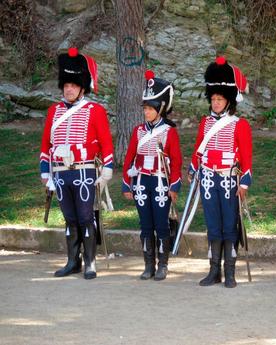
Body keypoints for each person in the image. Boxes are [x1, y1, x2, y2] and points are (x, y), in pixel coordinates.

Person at [40, 47, 114, 279]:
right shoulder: (54, 111)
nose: (68, 89)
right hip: (61, 173)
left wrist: (108, 169)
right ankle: (73, 261)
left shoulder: (95, 110)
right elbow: (46, 145)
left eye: (72, 85)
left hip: (84, 171)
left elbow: (106, 143)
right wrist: (46, 173)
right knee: (69, 218)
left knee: (85, 217)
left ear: (82, 87)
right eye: (66, 85)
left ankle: (90, 262)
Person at [189, 56, 252, 288]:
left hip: (229, 181)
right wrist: (193, 169)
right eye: (213, 99)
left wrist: (243, 183)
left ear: (228, 101)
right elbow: (198, 151)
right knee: (213, 225)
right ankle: (213, 270)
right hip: (208, 180)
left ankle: (230, 272)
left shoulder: (239, 124)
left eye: (220, 99)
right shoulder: (205, 123)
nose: (215, 103)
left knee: (229, 227)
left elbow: (246, 158)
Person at [122, 70, 182, 281]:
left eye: (150, 108)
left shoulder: (168, 131)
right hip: (141, 182)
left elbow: (176, 161)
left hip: (160, 182)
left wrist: (174, 186)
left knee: (161, 224)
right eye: (145, 108)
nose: (146, 112)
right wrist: (126, 184)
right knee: (145, 224)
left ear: (160, 109)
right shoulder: (138, 131)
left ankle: (162, 265)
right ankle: (148, 264)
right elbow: (129, 158)